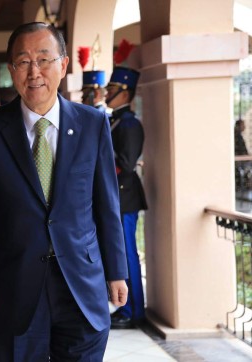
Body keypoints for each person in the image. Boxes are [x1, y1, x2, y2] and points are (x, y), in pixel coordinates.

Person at [0, 22, 128, 360]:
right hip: (14, 285)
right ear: (11, 71)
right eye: (23, 62)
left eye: (44, 59)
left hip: (81, 284)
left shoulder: (92, 124)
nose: (34, 71)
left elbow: (106, 204)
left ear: (63, 66)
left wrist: (117, 271)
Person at [104, 66, 148, 329]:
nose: (108, 92)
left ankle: (133, 311)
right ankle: (124, 307)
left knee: (127, 253)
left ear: (126, 93)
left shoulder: (130, 124)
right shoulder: (115, 120)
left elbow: (126, 164)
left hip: (126, 196)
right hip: (116, 196)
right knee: (119, 252)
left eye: (113, 89)